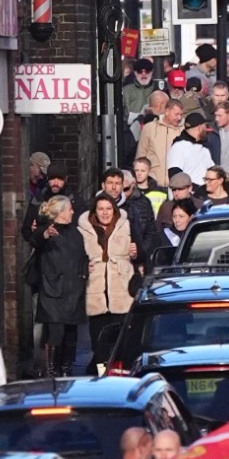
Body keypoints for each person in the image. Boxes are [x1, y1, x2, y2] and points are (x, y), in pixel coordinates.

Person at [26, 196, 88, 379]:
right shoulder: (47, 230)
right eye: (70, 209)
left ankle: (67, 370)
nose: (73, 212)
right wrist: (44, 235)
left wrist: (84, 271)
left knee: (71, 335)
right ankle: (52, 372)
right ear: (60, 212)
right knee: (55, 333)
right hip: (54, 292)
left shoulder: (76, 233)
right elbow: (35, 240)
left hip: (74, 290)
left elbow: (82, 256)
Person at [78, 194, 136, 370]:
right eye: (101, 209)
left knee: (121, 342)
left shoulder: (126, 225)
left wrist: (136, 252)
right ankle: (101, 376)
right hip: (96, 295)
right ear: (94, 211)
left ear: (114, 210)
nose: (105, 213)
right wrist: (83, 266)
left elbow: (142, 247)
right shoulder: (83, 229)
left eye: (108, 209)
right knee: (99, 344)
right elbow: (75, 256)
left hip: (122, 294)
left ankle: (120, 375)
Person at [135, 98, 184, 187]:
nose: (179, 118)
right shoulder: (149, 128)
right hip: (153, 183)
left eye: (181, 115)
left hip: (175, 185)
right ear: (167, 111)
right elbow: (141, 156)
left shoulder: (183, 131)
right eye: (176, 114)